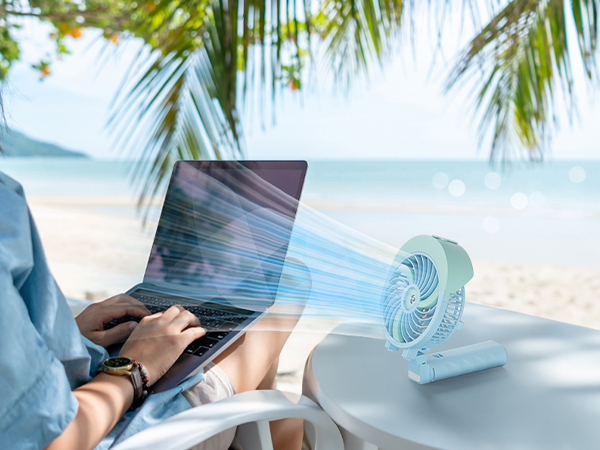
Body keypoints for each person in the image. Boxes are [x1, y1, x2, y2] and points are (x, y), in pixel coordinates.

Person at [0, 166, 306, 449]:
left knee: (265, 363)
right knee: (288, 284)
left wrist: (67, 336)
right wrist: (132, 367)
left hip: (81, 390)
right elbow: (52, 438)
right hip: (120, 430)